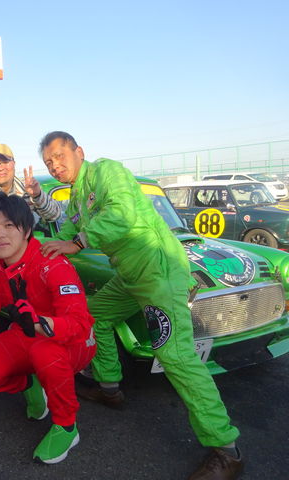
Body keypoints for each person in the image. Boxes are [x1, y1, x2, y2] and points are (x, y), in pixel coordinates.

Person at [38, 131, 243, 479]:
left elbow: (121, 212)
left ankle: (227, 449)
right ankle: (109, 388)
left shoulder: (106, 171)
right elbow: (67, 229)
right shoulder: (77, 196)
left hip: (157, 269)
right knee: (95, 315)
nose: (55, 165)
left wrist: (79, 242)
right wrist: (37, 247)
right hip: (130, 274)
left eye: (59, 156)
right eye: (48, 162)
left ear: (79, 152)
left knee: (175, 355)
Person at [0, 193, 96, 464]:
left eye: (9, 225)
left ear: (26, 230)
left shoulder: (52, 262)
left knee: (45, 353)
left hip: (74, 343)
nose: (0, 234)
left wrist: (40, 323)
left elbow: (80, 324)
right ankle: (31, 383)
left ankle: (66, 426)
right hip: (27, 335)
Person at [0, 143, 62, 309]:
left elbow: (54, 215)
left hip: (17, 264)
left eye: (5, 161)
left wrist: (37, 195)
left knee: (21, 312)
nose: (1, 167)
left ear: (13, 164)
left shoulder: (28, 188)